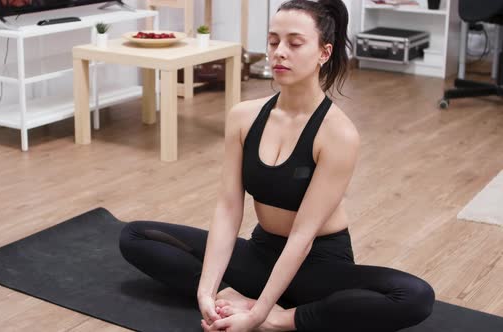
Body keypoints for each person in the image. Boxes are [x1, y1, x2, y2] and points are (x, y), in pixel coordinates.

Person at [119, 0, 436, 331]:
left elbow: (302, 235)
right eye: (273, 41)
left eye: (295, 43)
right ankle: (236, 298)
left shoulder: (338, 133)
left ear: (323, 53)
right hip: (262, 253)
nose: (279, 52)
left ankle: (284, 319)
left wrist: (260, 317)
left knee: (414, 296)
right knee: (136, 235)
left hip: (318, 265)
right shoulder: (243, 116)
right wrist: (208, 292)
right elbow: (228, 209)